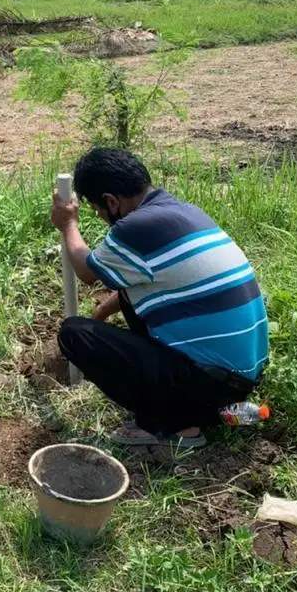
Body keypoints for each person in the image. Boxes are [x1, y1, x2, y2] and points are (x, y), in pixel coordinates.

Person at [51, 147, 269, 451]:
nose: (102, 217)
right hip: (238, 378)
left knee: (75, 334)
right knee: (127, 302)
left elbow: (87, 272)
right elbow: (145, 284)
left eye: (99, 211)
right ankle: (205, 410)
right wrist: (102, 311)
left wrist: (68, 225)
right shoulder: (182, 211)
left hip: (210, 384)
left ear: (112, 202)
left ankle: (176, 427)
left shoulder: (135, 227)